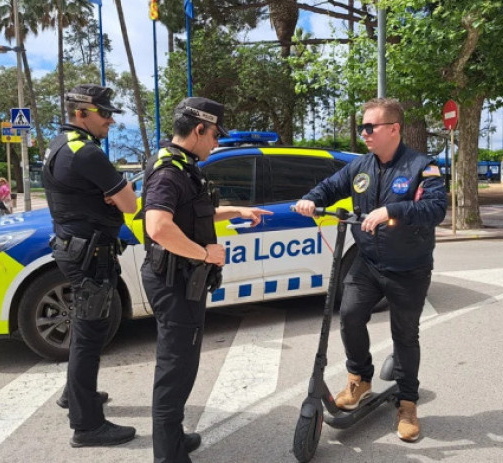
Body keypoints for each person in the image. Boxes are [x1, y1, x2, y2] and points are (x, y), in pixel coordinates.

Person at [294, 98, 447, 442]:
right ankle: (359, 378)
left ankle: (407, 403)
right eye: (362, 127)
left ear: (393, 129)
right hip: (368, 262)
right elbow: (330, 188)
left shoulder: (423, 167)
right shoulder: (359, 167)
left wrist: (392, 210)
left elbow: (436, 209)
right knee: (349, 314)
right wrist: (310, 199)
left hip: (409, 267)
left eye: (370, 127)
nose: (363, 133)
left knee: (404, 335)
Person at [141, 97, 272, 463]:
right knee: (175, 368)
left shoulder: (183, 166)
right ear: (198, 129)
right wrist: (204, 254)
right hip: (174, 280)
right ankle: (169, 456)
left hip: (183, 280)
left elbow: (192, 215)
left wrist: (236, 210)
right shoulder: (170, 171)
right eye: (214, 134)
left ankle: (176, 438)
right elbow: (158, 226)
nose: (216, 142)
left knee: (183, 365)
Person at [42, 84, 138, 448]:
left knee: (87, 331)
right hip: (90, 255)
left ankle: (75, 395)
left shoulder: (59, 144)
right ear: (81, 113)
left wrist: (111, 196)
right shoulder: (87, 154)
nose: (111, 119)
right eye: (104, 113)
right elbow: (129, 204)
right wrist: (118, 196)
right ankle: (87, 426)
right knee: (89, 334)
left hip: (73, 248)